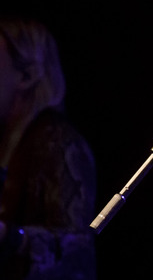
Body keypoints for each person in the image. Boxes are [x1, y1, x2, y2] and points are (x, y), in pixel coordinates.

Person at [0, 16, 97, 280]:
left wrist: (11, 237)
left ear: (27, 75)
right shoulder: (7, 138)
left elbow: (76, 249)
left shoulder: (58, 142)